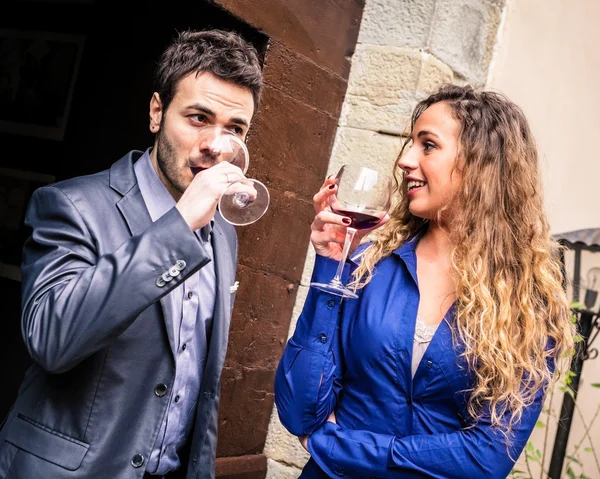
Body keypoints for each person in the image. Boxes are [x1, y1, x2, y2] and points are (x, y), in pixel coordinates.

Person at [274, 83, 576, 478]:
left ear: (480, 163)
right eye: (409, 143)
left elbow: (487, 457)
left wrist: (342, 447)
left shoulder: (528, 303)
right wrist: (332, 265)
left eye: (427, 145)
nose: (404, 160)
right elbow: (300, 411)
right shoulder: (368, 264)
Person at [0, 28, 263, 479]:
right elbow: (51, 341)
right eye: (199, 118)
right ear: (157, 112)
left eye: (234, 129)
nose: (216, 146)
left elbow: (200, 386)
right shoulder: (71, 205)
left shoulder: (224, 234)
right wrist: (176, 228)